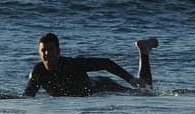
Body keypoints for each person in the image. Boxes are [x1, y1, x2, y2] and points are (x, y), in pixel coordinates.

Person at [23, 32, 158, 97]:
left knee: (145, 93)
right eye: (43, 50)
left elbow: (106, 63)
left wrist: (130, 78)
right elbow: (28, 97)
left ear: (58, 51)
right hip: (85, 96)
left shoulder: (72, 64)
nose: (46, 53)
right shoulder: (38, 72)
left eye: (50, 49)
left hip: (103, 86)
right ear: (39, 53)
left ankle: (144, 51)